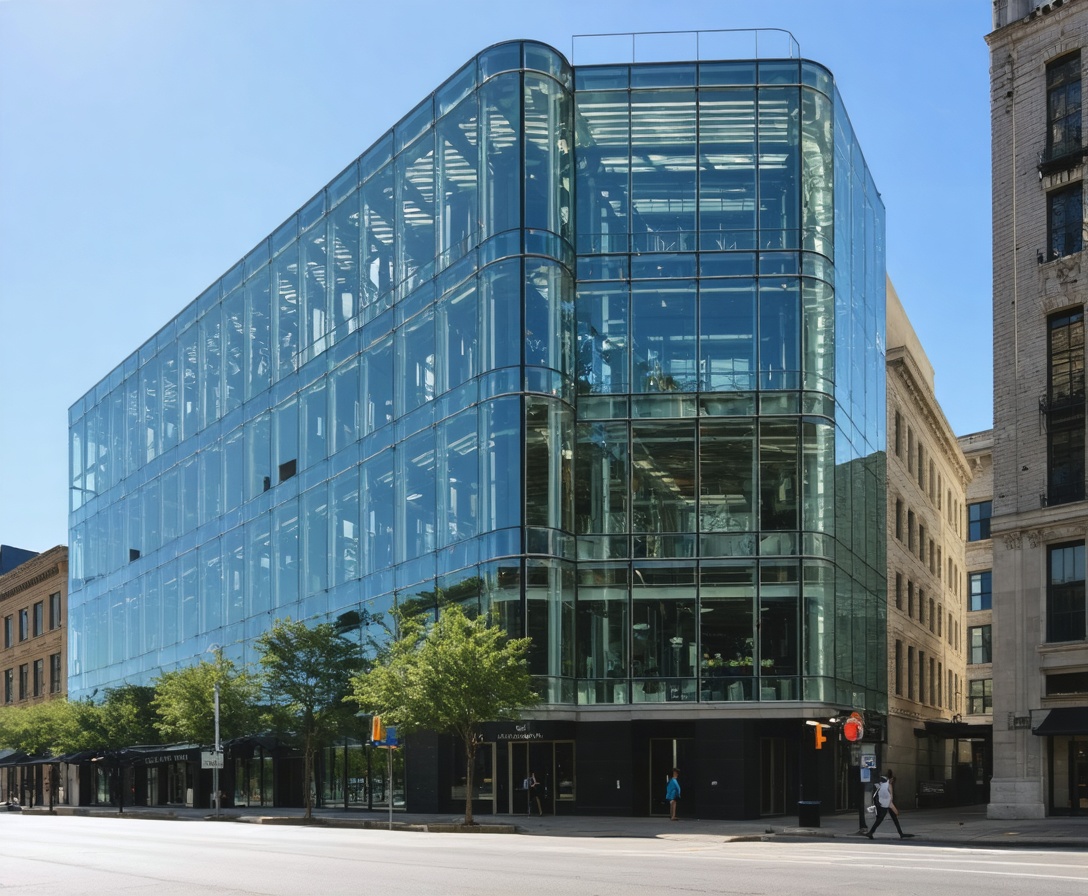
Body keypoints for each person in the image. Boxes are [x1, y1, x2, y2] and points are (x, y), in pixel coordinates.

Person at [865, 770, 906, 839]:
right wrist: (894, 808)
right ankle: (871, 832)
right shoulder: (888, 785)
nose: (892, 781)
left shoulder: (882, 785)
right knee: (882, 818)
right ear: (891, 779)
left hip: (883, 802)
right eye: (892, 780)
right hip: (886, 803)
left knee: (893, 818)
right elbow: (890, 798)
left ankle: (901, 833)